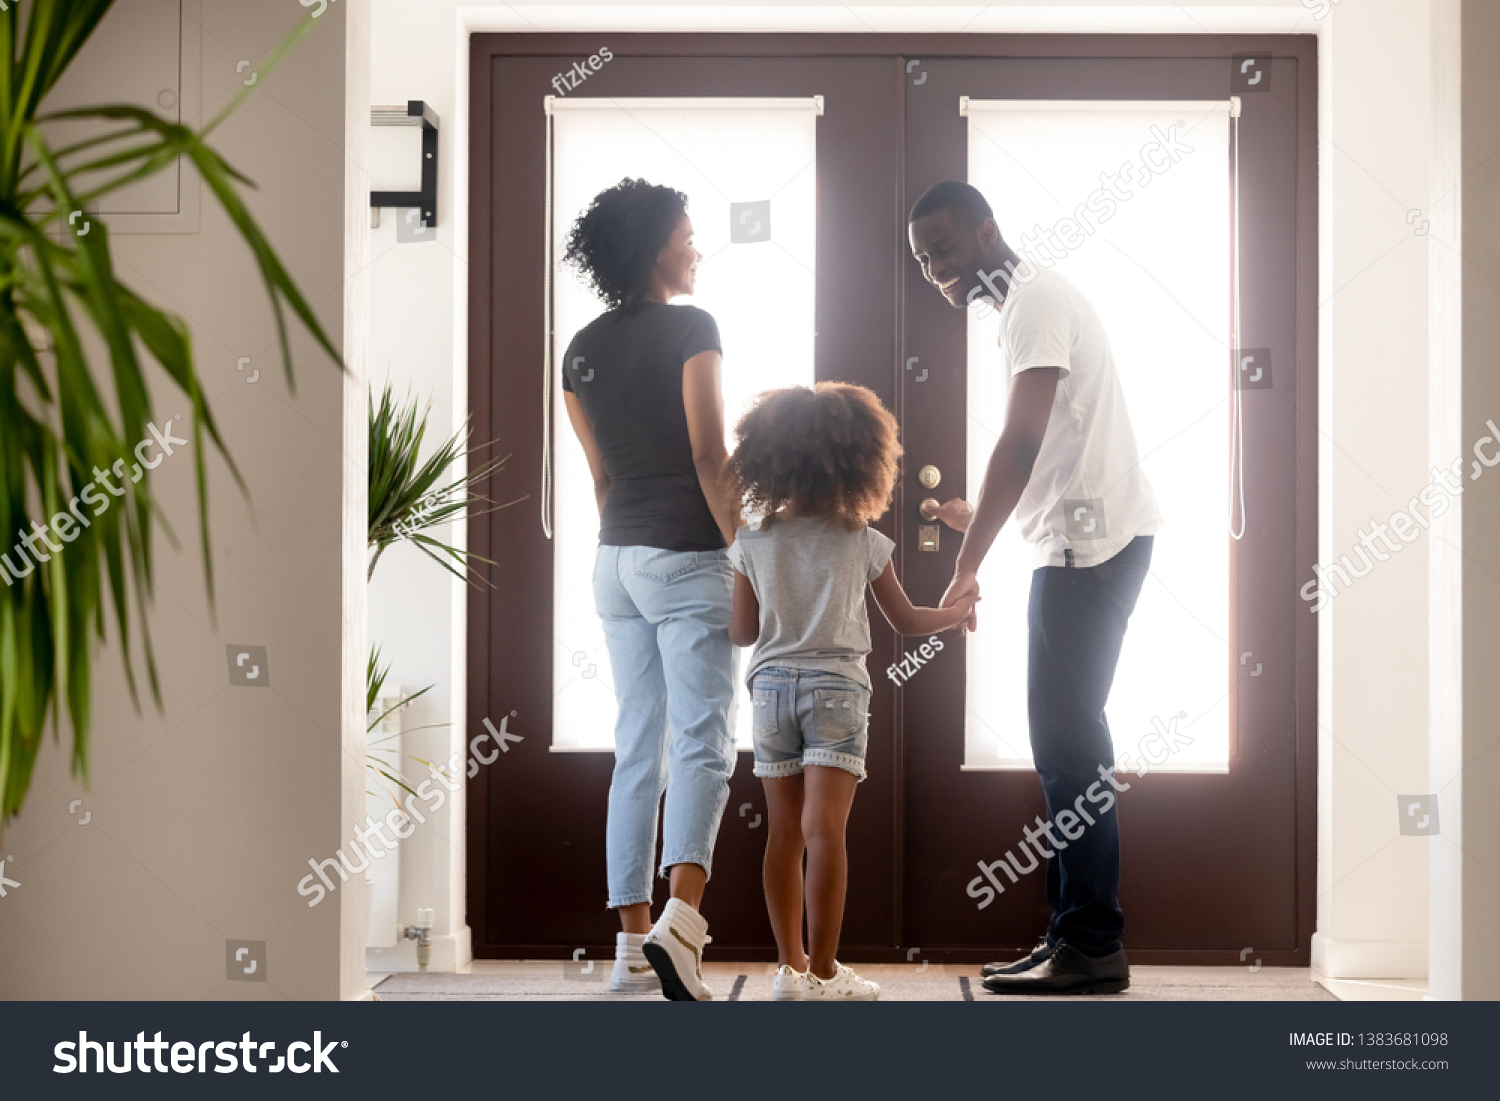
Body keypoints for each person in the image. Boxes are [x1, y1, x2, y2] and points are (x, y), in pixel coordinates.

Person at [907, 180, 1161, 995]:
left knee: (1068, 744)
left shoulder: (1035, 301)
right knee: (1067, 742)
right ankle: (1073, 935)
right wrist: (974, 514)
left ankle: (1090, 941)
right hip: (1076, 542)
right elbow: (1050, 447)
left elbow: (1019, 441)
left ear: (987, 232)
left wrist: (968, 560)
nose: (935, 269)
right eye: (922, 258)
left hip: (1090, 548)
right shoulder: (1022, 307)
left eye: (943, 248)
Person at [724, 382, 977, 1001]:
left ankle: (789, 969)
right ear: (863, 461)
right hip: (837, 689)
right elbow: (907, 620)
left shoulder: (752, 540)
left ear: (767, 460)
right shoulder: (861, 538)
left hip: (771, 689)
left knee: (783, 833)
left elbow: (741, 631)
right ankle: (827, 973)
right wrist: (958, 613)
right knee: (825, 830)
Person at [560, 179, 741, 1001]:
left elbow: (600, 478)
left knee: (638, 743)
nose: (696, 247)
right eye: (687, 235)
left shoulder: (581, 348)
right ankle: (683, 926)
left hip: (615, 559)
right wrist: (747, 550)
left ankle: (633, 942)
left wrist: (629, 545)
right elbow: (710, 455)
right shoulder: (692, 328)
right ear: (656, 246)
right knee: (704, 739)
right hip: (688, 554)